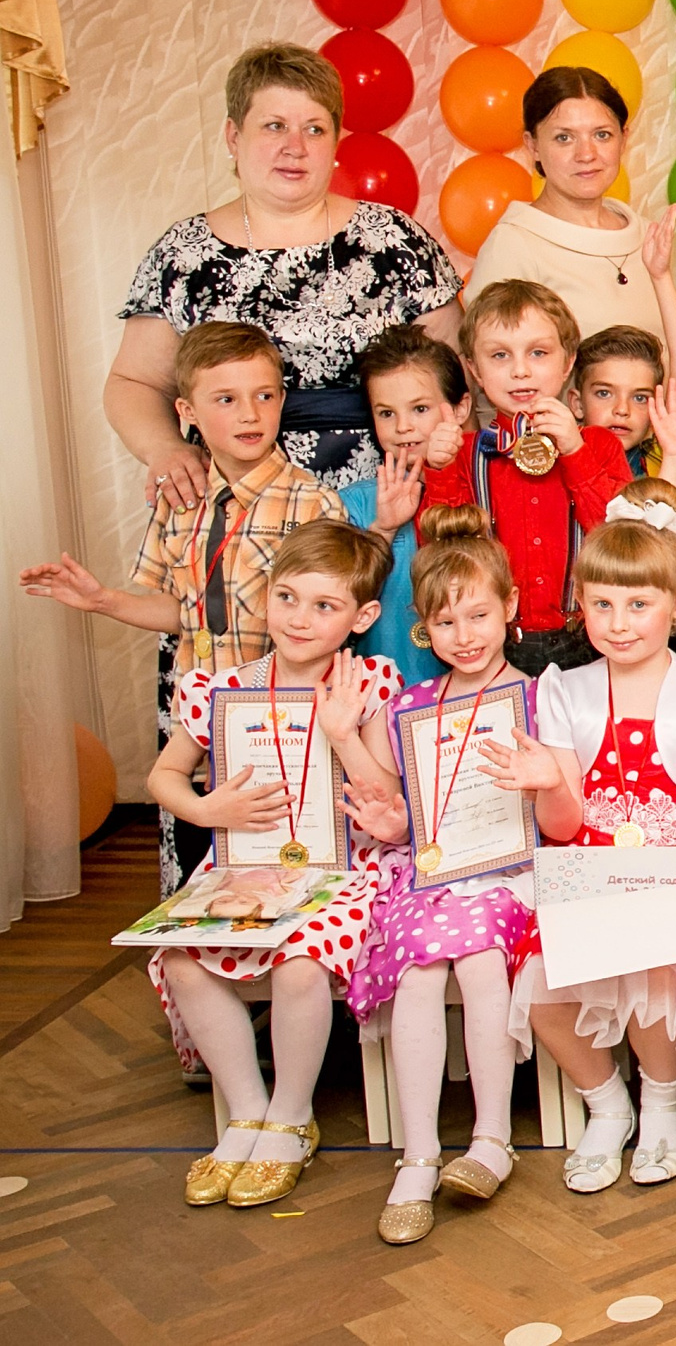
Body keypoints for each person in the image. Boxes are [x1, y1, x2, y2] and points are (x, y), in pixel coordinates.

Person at [24, 322, 348, 889]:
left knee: (292, 866)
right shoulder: (181, 500)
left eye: (264, 396)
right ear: (187, 411)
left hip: (284, 721)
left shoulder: (313, 501)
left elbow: (333, 621)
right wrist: (102, 600)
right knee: (212, 868)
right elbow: (181, 611)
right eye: (226, 399)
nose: (250, 414)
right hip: (201, 722)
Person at [480, 495, 676, 1192]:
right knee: (545, 995)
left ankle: (661, 1100)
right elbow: (564, 827)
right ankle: (607, 1102)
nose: (619, 624)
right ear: (580, 604)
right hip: (588, 864)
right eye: (602, 605)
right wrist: (545, 784)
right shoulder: (565, 688)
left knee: (655, 976)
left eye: (638, 604)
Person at [142, 521, 403, 1209]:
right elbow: (164, 776)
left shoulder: (368, 682)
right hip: (245, 863)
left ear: (362, 616)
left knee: (300, 960)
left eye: (325, 605)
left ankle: (292, 1115)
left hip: (343, 870)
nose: (300, 617)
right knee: (180, 955)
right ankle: (246, 1112)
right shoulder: (219, 691)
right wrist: (206, 811)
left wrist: (343, 732)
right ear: (267, 596)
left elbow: (386, 798)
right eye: (288, 596)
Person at [109, 42, 462, 504]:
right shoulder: (183, 255)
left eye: (314, 129)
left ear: (335, 143)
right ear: (234, 137)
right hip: (238, 506)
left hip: (389, 504)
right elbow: (134, 383)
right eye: (274, 126)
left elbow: (457, 381)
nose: (294, 148)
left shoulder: (395, 240)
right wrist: (165, 449)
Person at [345, 509, 536, 1242]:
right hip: (429, 875)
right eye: (446, 620)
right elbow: (383, 802)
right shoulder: (411, 707)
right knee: (421, 973)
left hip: (508, 874)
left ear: (510, 606)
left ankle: (491, 1137)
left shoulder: (533, 695)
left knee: (484, 960)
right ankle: (419, 1152)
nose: (466, 634)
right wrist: (389, 820)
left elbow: (554, 802)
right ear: (424, 627)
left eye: (479, 613)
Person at [419, 280, 634, 672]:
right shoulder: (467, 453)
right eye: (500, 355)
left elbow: (622, 539)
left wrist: (575, 453)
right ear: (474, 369)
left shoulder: (599, 445)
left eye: (538, 353)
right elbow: (440, 555)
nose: (520, 371)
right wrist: (440, 472)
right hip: (493, 646)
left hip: (588, 640)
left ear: (568, 361)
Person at [467, 67, 676, 356]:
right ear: (532, 145)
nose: (586, 154)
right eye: (564, 138)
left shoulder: (647, 235)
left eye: (602, 135)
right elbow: (491, 373)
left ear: (624, 138)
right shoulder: (513, 245)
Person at [345, 327, 471, 684]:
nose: (402, 427)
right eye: (386, 413)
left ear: (461, 407)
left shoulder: (483, 485)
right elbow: (338, 604)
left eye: (419, 408)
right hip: (382, 696)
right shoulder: (355, 502)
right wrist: (382, 529)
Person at [573, 323, 676, 482]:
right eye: (604, 393)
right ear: (578, 404)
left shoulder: (663, 459)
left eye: (639, 398)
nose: (622, 409)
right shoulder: (555, 466)